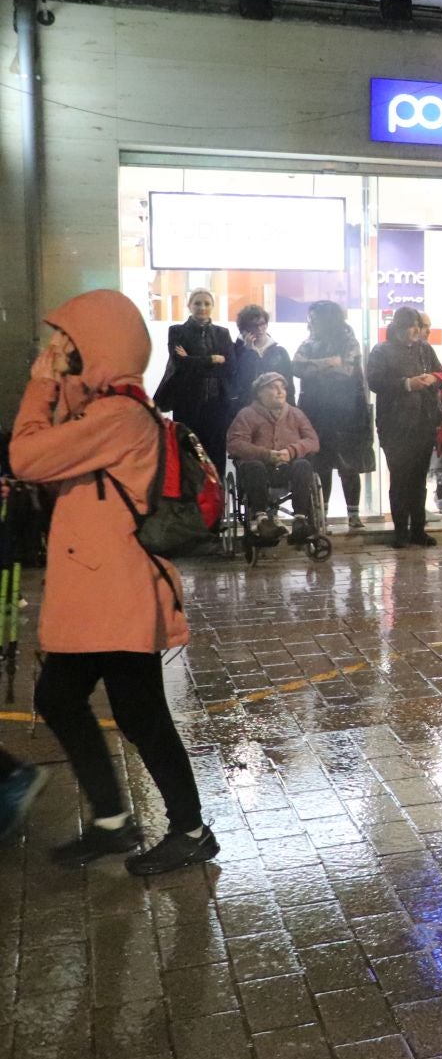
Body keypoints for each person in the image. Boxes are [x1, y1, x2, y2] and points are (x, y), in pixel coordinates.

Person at [13, 289, 218, 875]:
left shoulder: (119, 416)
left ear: (100, 345)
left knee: (141, 713)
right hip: (99, 590)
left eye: (69, 342)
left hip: (118, 592)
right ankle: (112, 823)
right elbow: (57, 449)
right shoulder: (107, 410)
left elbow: (28, 455)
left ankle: (190, 830)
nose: (57, 350)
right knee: (60, 698)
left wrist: (41, 384)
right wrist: (63, 382)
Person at [364, 307, 442, 548]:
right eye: (412, 326)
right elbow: (375, 382)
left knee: (419, 480)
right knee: (400, 479)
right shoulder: (381, 351)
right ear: (399, 327)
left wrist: (433, 378)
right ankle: (401, 531)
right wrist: (407, 384)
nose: (417, 331)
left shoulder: (424, 349)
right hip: (395, 426)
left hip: (424, 422)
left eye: (419, 326)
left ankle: (418, 530)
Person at [292, 300, 373, 531]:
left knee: (349, 466)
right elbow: (297, 367)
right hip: (315, 412)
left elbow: (346, 370)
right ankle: (321, 516)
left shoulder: (349, 341)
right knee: (321, 465)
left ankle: (354, 516)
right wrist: (329, 362)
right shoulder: (309, 343)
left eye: (316, 318)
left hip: (347, 412)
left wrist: (316, 367)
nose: (312, 322)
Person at [225, 372, 320, 542]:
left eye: (282, 387)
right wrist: (266, 454)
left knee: (303, 465)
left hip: (286, 469)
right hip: (259, 472)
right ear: (260, 392)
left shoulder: (295, 414)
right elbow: (235, 444)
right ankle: (261, 520)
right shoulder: (247, 414)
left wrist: (291, 451)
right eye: (273, 387)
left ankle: (300, 519)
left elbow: (312, 441)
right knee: (254, 466)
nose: (280, 391)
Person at [154, 287, 234, 478]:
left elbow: (230, 366)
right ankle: (188, 498)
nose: (202, 307)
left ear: (213, 306)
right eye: (197, 303)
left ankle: (217, 496)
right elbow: (180, 363)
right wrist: (212, 359)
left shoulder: (223, 333)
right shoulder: (176, 331)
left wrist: (192, 360)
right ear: (189, 305)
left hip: (217, 404)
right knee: (187, 451)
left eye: (206, 303)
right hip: (187, 402)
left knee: (215, 453)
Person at [228, 304, 291, 421]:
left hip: (276, 410)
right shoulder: (234, 352)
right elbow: (238, 381)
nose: (259, 329)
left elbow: (288, 384)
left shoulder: (279, 352)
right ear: (244, 330)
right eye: (253, 326)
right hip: (245, 410)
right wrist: (249, 353)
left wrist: (290, 411)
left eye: (262, 324)